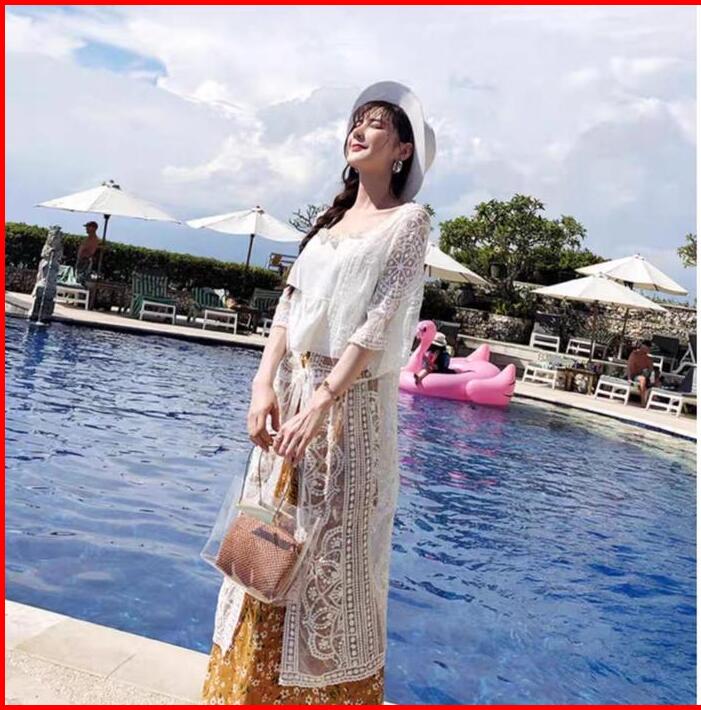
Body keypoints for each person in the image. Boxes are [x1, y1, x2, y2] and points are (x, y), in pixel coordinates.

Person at [202, 81, 436, 704]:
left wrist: (324, 400)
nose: (359, 129)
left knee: (331, 551)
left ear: (403, 151)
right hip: (291, 395)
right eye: (357, 120)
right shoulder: (328, 224)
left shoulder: (409, 222)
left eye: (377, 123)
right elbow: (289, 308)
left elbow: (378, 322)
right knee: (266, 537)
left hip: (349, 411)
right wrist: (262, 384)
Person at [627, 339, 657, 406]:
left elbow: (652, 371)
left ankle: (653, 400)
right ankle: (643, 401)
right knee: (642, 379)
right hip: (633, 375)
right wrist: (629, 378)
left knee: (656, 379)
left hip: (643, 375)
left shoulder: (648, 359)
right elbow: (629, 367)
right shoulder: (634, 355)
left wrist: (652, 380)